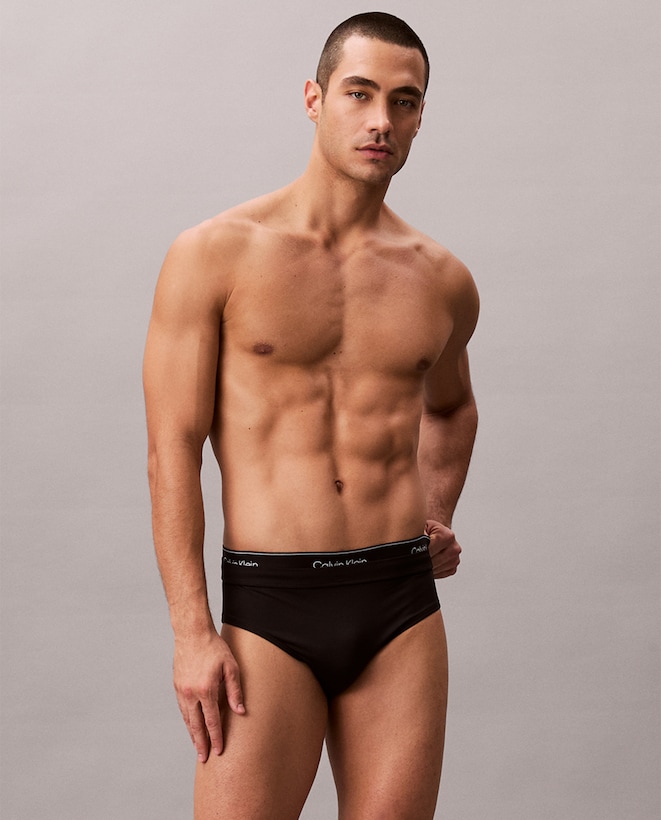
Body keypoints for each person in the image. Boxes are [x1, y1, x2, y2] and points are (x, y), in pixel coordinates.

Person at [143, 11, 479, 819]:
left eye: (403, 101)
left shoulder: (440, 280)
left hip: (399, 608)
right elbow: (171, 449)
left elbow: (453, 406)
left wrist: (435, 512)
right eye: (359, 93)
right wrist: (191, 632)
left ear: (420, 117)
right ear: (313, 98)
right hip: (270, 606)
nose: (380, 120)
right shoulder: (214, 254)